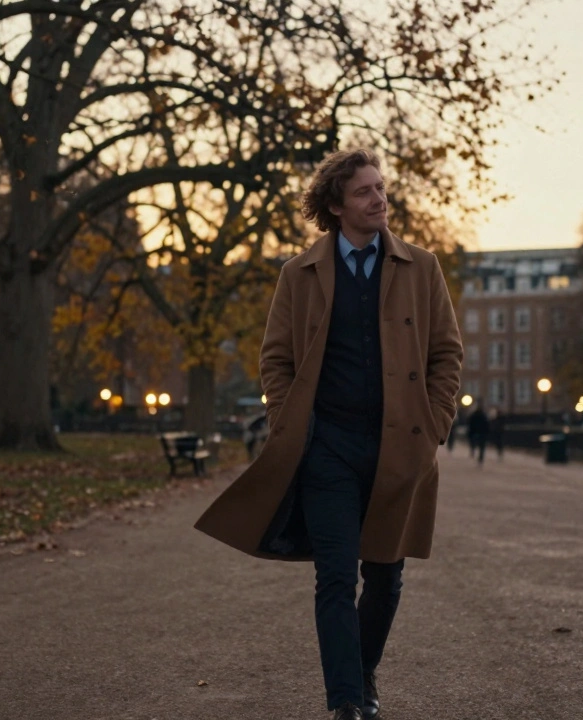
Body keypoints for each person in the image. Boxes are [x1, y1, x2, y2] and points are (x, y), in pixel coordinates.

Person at [194, 148, 463, 720]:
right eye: (365, 191)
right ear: (337, 205)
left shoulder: (423, 266)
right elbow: (276, 359)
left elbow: (446, 354)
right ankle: (345, 701)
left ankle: (361, 673)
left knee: (386, 579)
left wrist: (433, 427)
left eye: (381, 188)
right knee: (336, 577)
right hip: (327, 449)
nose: (379, 199)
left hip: (400, 448)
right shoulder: (300, 274)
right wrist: (288, 422)